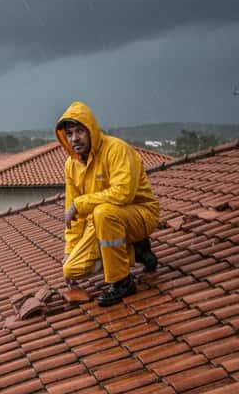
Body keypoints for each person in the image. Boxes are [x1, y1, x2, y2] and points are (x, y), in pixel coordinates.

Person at [55, 101, 160, 307]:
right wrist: (70, 250)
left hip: (141, 215)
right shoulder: (71, 165)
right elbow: (74, 219)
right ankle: (135, 250)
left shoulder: (116, 149)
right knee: (72, 269)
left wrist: (80, 204)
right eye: (69, 134)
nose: (74, 138)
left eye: (80, 131)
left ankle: (122, 282)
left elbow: (123, 194)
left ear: (91, 129)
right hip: (103, 221)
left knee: (103, 213)